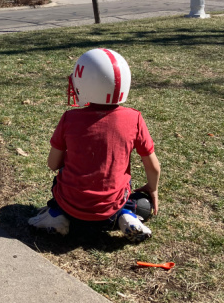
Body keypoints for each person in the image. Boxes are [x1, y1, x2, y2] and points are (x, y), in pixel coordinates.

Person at [29, 48, 160, 243]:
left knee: (61, 180)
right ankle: (126, 215)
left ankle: (56, 215)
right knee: (142, 203)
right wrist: (152, 188)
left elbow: (53, 164)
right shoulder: (134, 119)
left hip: (70, 207)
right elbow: (153, 167)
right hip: (110, 211)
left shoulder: (69, 118)